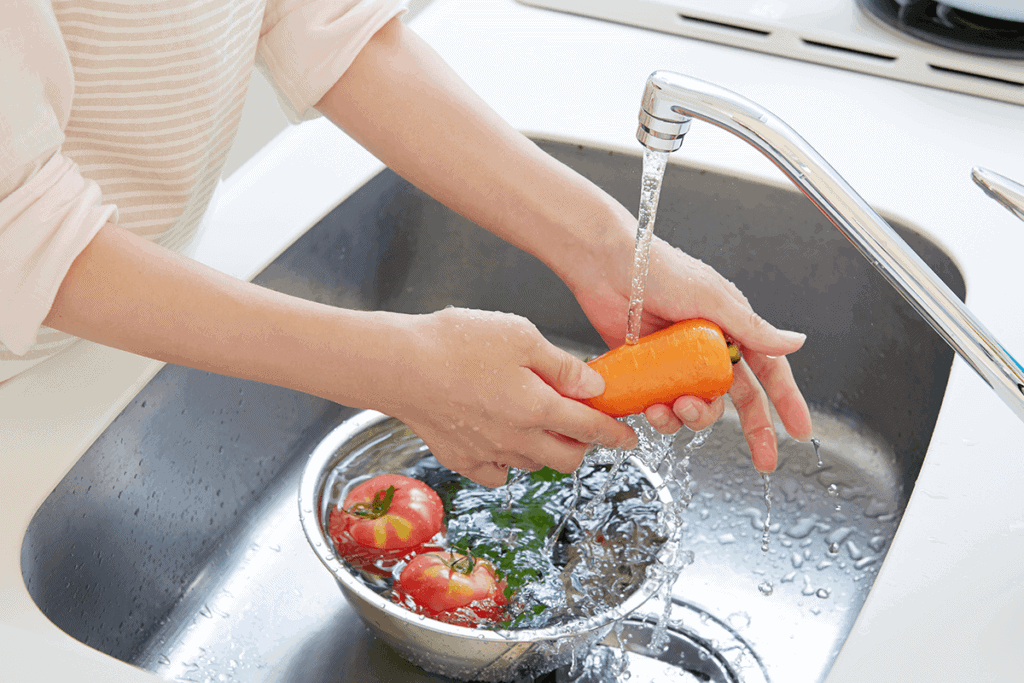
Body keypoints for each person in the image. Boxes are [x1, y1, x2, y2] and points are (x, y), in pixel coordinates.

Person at [1, 0, 812, 487]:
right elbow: (16, 224)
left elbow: (317, 19)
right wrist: (400, 367)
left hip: (130, 310)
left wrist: (612, 252)